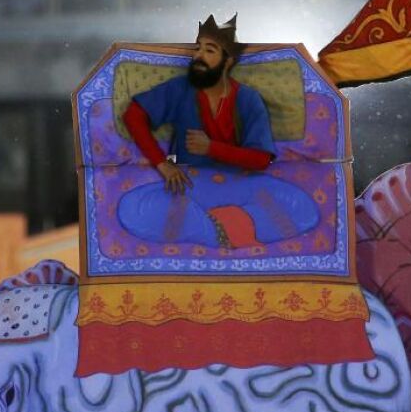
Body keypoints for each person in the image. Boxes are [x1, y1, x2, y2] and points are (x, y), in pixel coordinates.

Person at [118, 14, 317, 248]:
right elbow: (133, 115)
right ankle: (226, 229)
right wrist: (162, 164)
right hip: (189, 187)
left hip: (242, 186)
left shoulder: (248, 98)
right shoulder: (180, 89)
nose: (198, 56)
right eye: (198, 48)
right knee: (135, 207)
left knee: (300, 207)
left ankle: (214, 228)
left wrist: (211, 148)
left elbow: (261, 159)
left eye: (209, 50)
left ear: (228, 61)